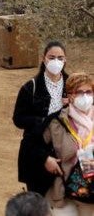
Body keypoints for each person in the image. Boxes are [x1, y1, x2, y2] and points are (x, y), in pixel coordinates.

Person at [13, 41, 69, 197]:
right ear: (44, 59)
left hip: (65, 151)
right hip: (36, 149)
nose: (56, 61)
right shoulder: (30, 87)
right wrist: (43, 121)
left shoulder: (72, 87)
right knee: (38, 202)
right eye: (52, 57)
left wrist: (72, 105)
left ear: (65, 60)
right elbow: (18, 119)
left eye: (60, 58)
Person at [43, 72, 94, 215]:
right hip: (69, 183)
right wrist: (46, 158)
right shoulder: (58, 121)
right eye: (79, 92)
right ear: (70, 95)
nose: (85, 96)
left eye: (88, 92)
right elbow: (38, 146)